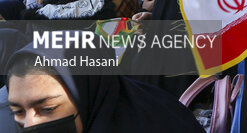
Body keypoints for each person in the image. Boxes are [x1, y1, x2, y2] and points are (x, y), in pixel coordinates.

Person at [5, 39, 205, 132]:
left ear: (90, 93)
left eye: (47, 109)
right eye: (18, 111)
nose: (29, 125)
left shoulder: (159, 123)